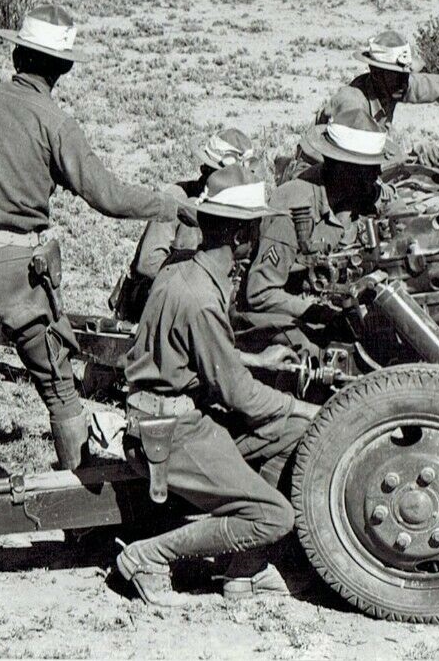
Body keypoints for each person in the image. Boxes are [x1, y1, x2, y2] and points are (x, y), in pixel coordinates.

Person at [0, 4, 185, 485]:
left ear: (18, 52)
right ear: (63, 67)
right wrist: (168, 206)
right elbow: (105, 196)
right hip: (15, 276)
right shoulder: (55, 122)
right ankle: (76, 493)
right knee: (59, 387)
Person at [117, 162, 318, 606]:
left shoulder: (181, 270)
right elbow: (239, 396)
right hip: (170, 433)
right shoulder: (203, 299)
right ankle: (150, 556)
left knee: (295, 435)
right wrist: (302, 407)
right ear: (241, 237)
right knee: (274, 515)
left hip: (166, 414)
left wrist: (252, 358)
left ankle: (244, 572)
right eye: (255, 228)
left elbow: (186, 352)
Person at [240, 108, 389, 345]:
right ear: (341, 167)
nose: (377, 174)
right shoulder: (293, 206)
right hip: (292, 314)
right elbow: (260, 293)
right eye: (368, 168)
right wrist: (321, 313)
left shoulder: (361, 191)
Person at [113, 128, 256, 322]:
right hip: (154, 306)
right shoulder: (177, 199)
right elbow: (147, 263)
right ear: (204, 170)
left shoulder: (232, 209)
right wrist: (198, 271)